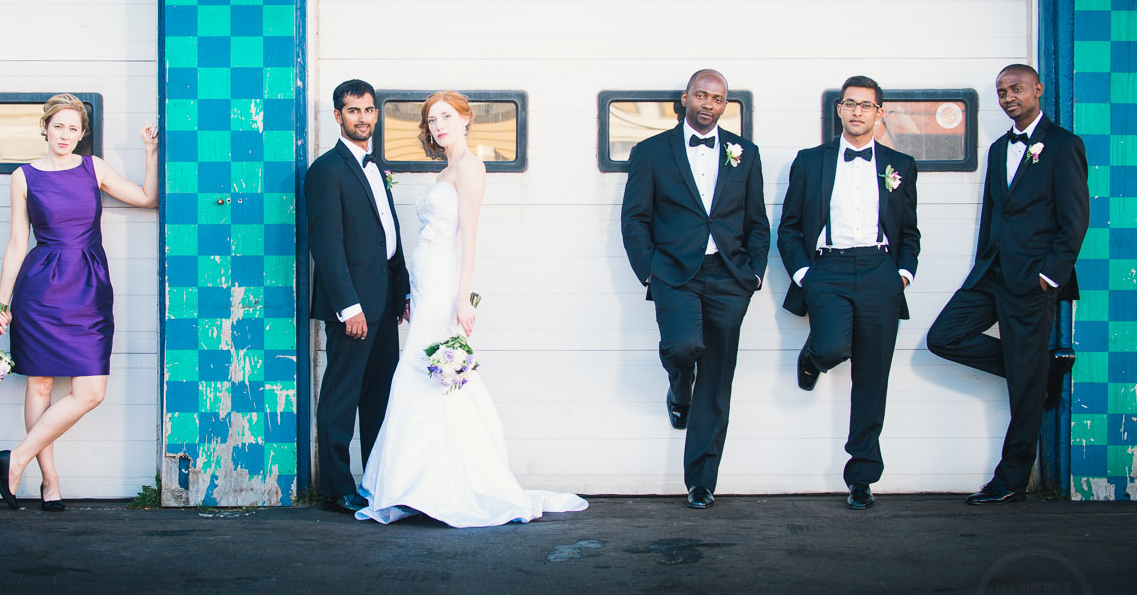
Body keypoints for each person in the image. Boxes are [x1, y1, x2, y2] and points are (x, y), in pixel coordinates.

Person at [355, 91, 587, 526]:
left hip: (446, 288)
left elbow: (470, 237)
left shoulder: (470, 167)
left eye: (446, 117)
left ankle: (445, 483)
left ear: (464, 120)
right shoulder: (446, 169)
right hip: (426, 288)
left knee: (438, 373)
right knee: (421, 373)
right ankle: (415, 484)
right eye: (432, 119)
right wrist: (412, 292)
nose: (438, 125)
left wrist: (463, 298)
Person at [0, 95, 159, 510]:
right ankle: (49, 481)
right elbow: (15, 243)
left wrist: (149, 152)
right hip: (40, 288)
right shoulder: (23, 176)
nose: (65, 135)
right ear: (45, 128)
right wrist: (2, 300)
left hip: (89, 286)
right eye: (58, 126)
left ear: (83, 135)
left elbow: (146, 198)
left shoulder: (92, 167)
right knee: (40, 383)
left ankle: (17, 457)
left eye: (74, 129)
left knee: (90, 391)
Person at [927, 64, 1089, 504]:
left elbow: (1075, 221)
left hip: (1033, 281)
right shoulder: (999, 148)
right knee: (943, 338)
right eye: (1001, 92)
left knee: (1024, 390)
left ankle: (1010, 481)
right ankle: (1042, 370)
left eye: (1015, 89)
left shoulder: (1063, 145)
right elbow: (994, 214)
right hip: (992, 274)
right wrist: (983, 263)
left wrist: (1049, 276)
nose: (1007, 97)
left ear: (1037, 89)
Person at [620, 69, 769, 509]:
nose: (708, 104)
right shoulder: (651, 152)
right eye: (701, 95)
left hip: (729, 277)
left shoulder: (746, 153)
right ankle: (678, 390)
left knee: (719, 379)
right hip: (674, 274)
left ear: (726, 105)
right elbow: (635, 219)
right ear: (685, 98)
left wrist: (753, 274)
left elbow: (757, 221)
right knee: (683, 347)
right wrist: (649, 271)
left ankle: (701, 480)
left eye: (717, 99)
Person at [777, 76, 920, 510]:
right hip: (829, 269)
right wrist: (805, 275)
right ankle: (814, 357)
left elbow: (909, 231)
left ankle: (861, 476)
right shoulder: (809, 162)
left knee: (873, 378)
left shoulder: (900, 164)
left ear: (879, 113)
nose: (857, 112)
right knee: (834, 345)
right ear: (839, 110)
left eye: (866, 105)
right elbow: (788, 228)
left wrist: (902, 276)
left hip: (880, 270)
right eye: (850, 104)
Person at [305, 79, 410, 513]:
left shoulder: (374, 166)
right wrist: (349, 306)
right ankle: (335, 488)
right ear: (338, 116)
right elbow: (326, 246)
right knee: (341, 397)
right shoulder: (326, 170)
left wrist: (401, 292)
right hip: (353, 308)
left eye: (369, 110)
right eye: (354, 111)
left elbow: (389, 235)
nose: (363, 118)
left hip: (385, 304)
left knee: (379, 397)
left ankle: (376, 479)